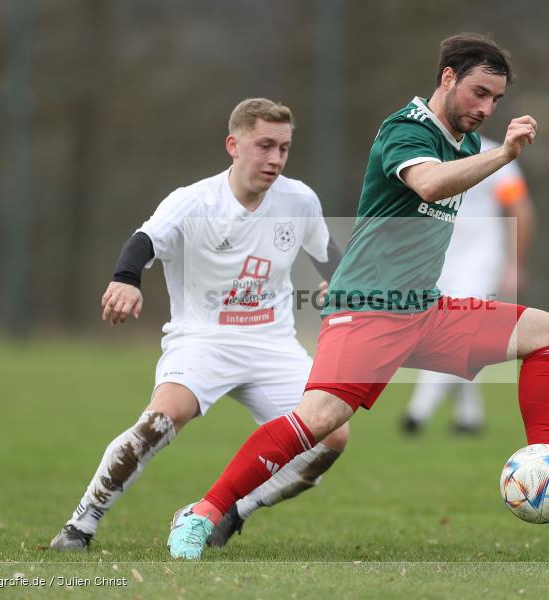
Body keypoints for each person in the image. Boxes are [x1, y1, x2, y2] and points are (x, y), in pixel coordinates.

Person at [167, 34, 549, 561]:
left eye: (496, 100)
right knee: (318, 420)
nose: (485, 108)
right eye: (478, 92)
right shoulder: (407, 129)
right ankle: (201, 514)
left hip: (424, 309)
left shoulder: (459, 139)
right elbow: (429, 186)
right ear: (448, 78)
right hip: (367, 308)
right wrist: (504, 153)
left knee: (548, 332)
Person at [49, 98, 348, 551]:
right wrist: (126, 280)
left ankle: (231, 512)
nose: (275, 159)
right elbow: (144, 240)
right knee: (163, 418)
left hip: (273, 343)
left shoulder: (299, 199)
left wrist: (338, 286)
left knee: (332, 438)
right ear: (233, 144)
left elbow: (327, 256)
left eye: (283, 148)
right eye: (264, 145)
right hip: (203, 339)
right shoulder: (194, 201)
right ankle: (80, 525)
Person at [402, 142, 534, 434]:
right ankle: (469, 415)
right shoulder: (425, 154)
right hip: (439, 257)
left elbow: (520, 208)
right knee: (445, 332)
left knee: (456, 330)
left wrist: (515, 264)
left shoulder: (494, 155)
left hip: (481, 257)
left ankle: (419, 409)